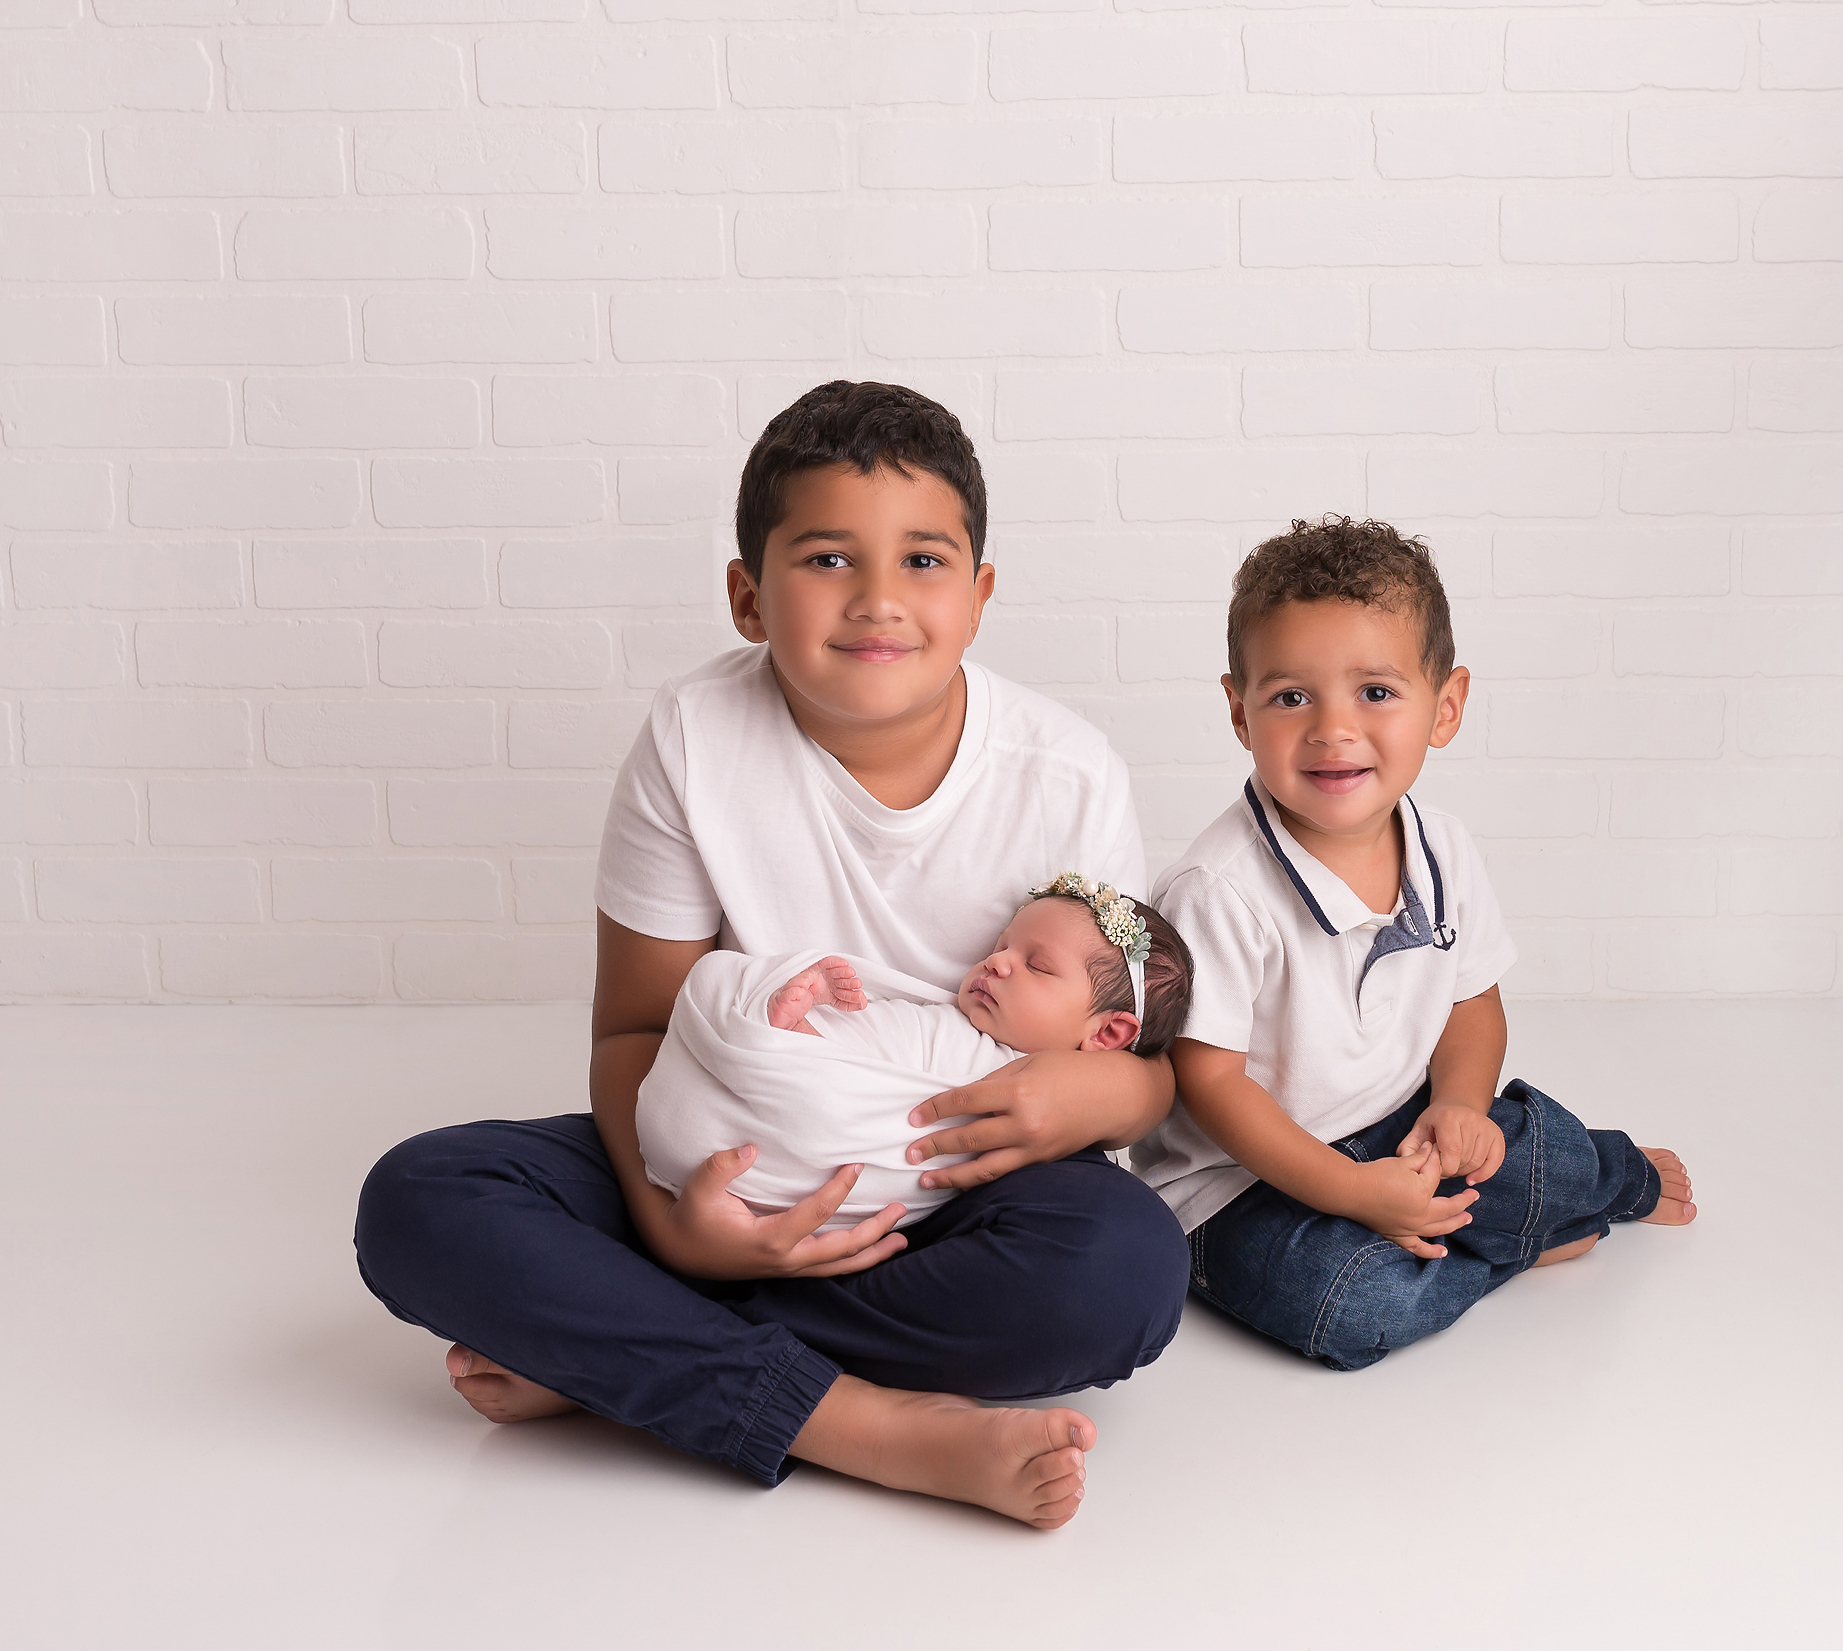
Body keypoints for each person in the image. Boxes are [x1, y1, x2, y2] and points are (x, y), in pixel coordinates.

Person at [354, 382, 1189, 1529]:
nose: (880, 601)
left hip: (949, 1185)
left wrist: (1102, 1091)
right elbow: (633, 1033)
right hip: (738, 1159)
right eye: (829, 559)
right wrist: (672, 1229)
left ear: (982, 596)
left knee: (1126, 1269)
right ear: (748, 596)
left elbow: (1127, 1037)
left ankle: (616, 1355)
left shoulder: (1066, 770)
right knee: (420, 1200)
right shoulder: (694, 737)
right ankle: (871, 1425)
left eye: (925, 562)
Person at [1130, 516, 1697, 1372]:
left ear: (1447, 705)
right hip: (1242, 1186)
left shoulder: (1442, 846)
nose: (1332, 729)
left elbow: (1472, 1003)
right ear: (1240, 712)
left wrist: (1460, 1107)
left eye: (1376, 692)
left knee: (1535, 1154)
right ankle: (1516, 1243)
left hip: (1399, 1126)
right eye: (1290, 696)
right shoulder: (1221, 888)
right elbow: (1208, 1083)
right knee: (1352, 1304)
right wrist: (1350, 1191)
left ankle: (1606, 1179)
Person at [637, 877, 1195, 1234]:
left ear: (1107, 1034)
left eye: (1038, 966)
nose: (998, 963)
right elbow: (873, 1049)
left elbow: (870, 1112)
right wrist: (809, 1030)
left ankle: (790, 1038)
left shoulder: (1017, 1078)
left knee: (1125, 1245)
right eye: (1002, 947)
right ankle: (785, 1037)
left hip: (794, 1154)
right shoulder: (950, 1024)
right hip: (725, 1153)